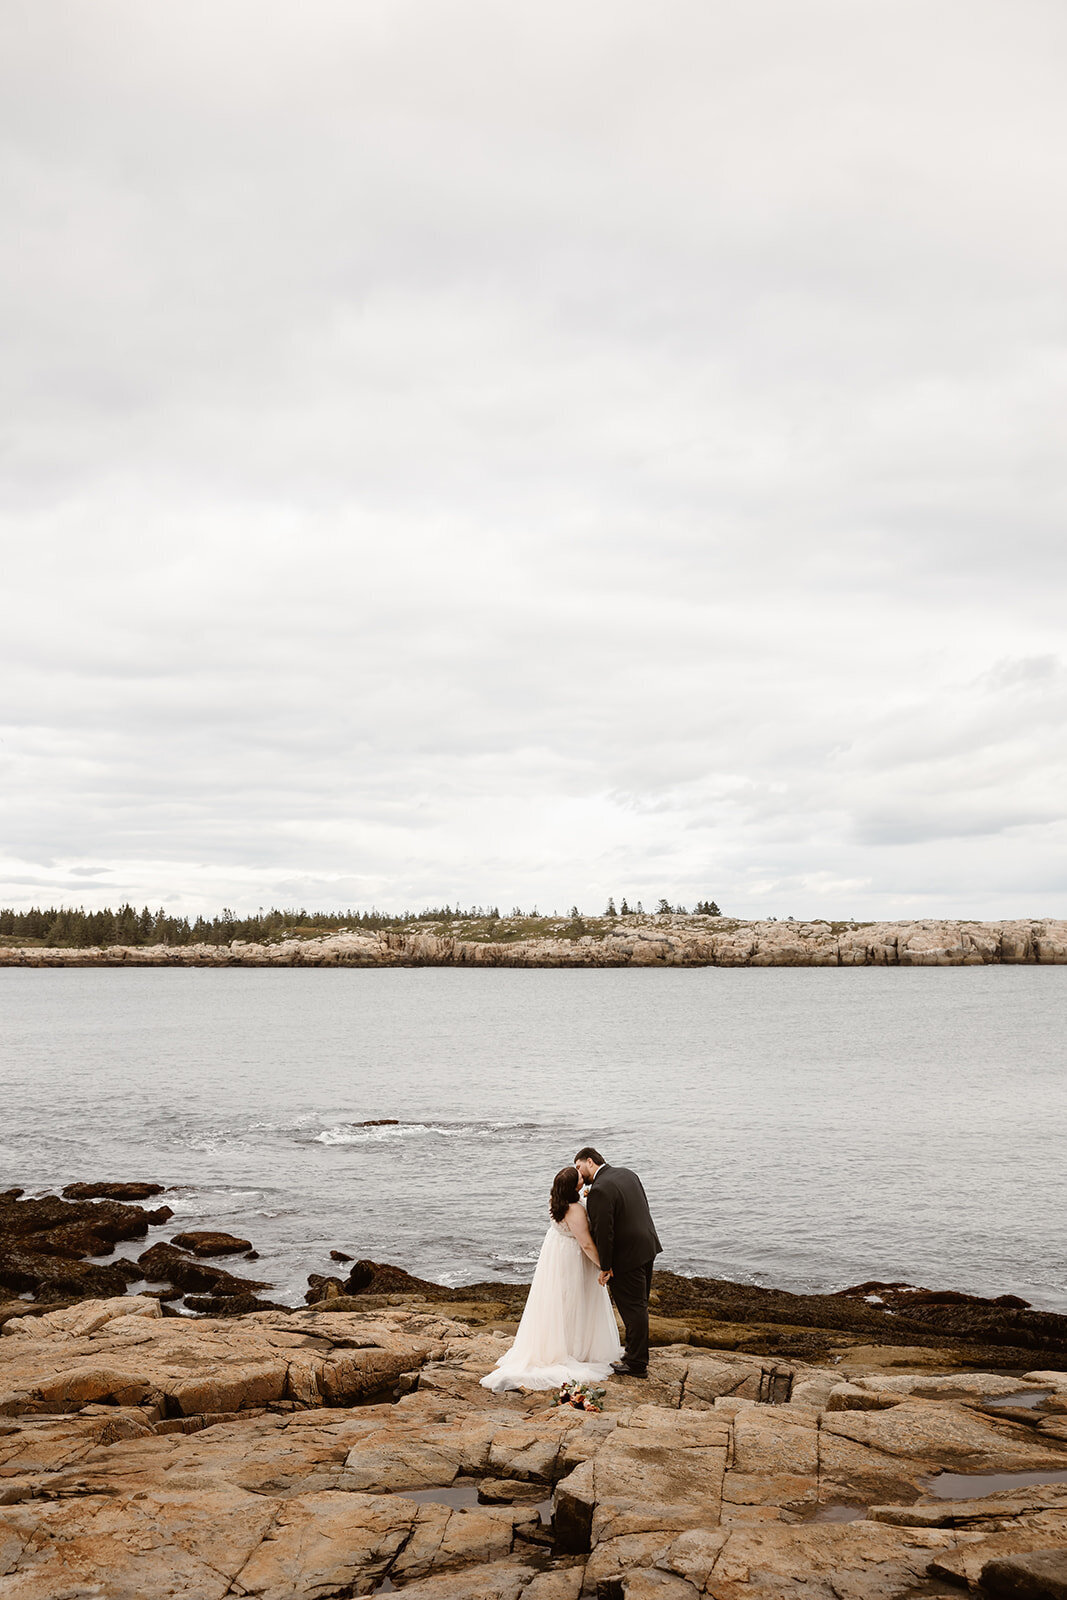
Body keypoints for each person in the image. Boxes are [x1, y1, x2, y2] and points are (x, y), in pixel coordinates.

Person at [480, 1166, 623, 1392]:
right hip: (572, 1257)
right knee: (574, 1300)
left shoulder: (554, 1201)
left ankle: (562, 1343)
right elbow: (585, 1243)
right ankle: (572, 1349)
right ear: (573, 1187)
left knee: (559, 1300)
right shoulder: (574, 1209)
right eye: (579, 1178)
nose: (582, 1177)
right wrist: (604, 1266)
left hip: (556, 1252)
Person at [575, 1145, 661, 1378]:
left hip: (627, 1257)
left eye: (579, 1167)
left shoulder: (601, 1190)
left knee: (633, 1309)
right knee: (640, 1305)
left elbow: (605, 1233)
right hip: (647, 1246)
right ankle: (635, 1353)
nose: (579, 1173)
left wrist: (605, 1266)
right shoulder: (627, 1173)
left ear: (590, 1161)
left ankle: (636, 1364)